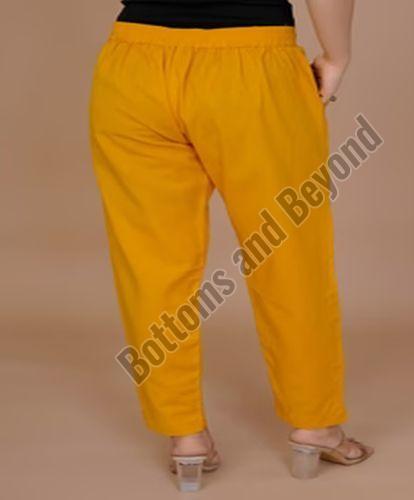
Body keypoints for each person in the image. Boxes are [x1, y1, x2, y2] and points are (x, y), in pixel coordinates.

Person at [90, 0, 373, 491]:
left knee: (152, 263)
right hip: (253, 62)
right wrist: (337, 55)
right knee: (289, 255)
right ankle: (314, 423)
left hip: (133, 66)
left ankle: (185, 437)